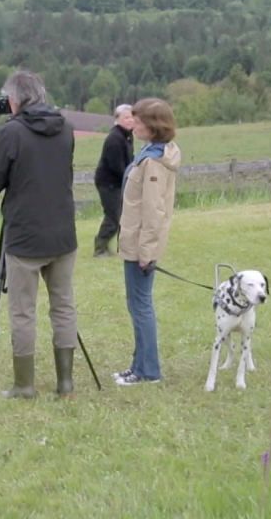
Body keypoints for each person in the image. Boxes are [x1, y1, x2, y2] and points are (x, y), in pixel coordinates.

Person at [0, 70, 79, 399]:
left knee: (23, 310)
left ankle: (25, 385)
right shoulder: (65, 127)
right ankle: (65, 383)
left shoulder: (12, 133)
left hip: (26, 235)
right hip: (63, 232)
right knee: (63, 306)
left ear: (14, 99)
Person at [113, 97, 180, 387]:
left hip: (141, 245)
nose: (134, 124)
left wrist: (147, 251)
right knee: (136, 305)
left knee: (141, 306)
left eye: (138, 121)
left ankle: (148, 370)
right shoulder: (150, 153)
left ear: (153, 126)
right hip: (134, 241)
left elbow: (154, 211)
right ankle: (138, 364)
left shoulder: (153, 161)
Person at [93, 104, 135, 257]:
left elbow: (129, 159)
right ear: (117, 120)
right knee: (113, 217)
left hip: (117, 182)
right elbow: (116, 166)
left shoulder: (127, 136)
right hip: (108, 183)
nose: (130, 120)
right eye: (126, 117)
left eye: (132, 117)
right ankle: (100, 248)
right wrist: (131, 177)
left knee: (117, 216)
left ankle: (104, 246)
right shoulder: (115, 138)